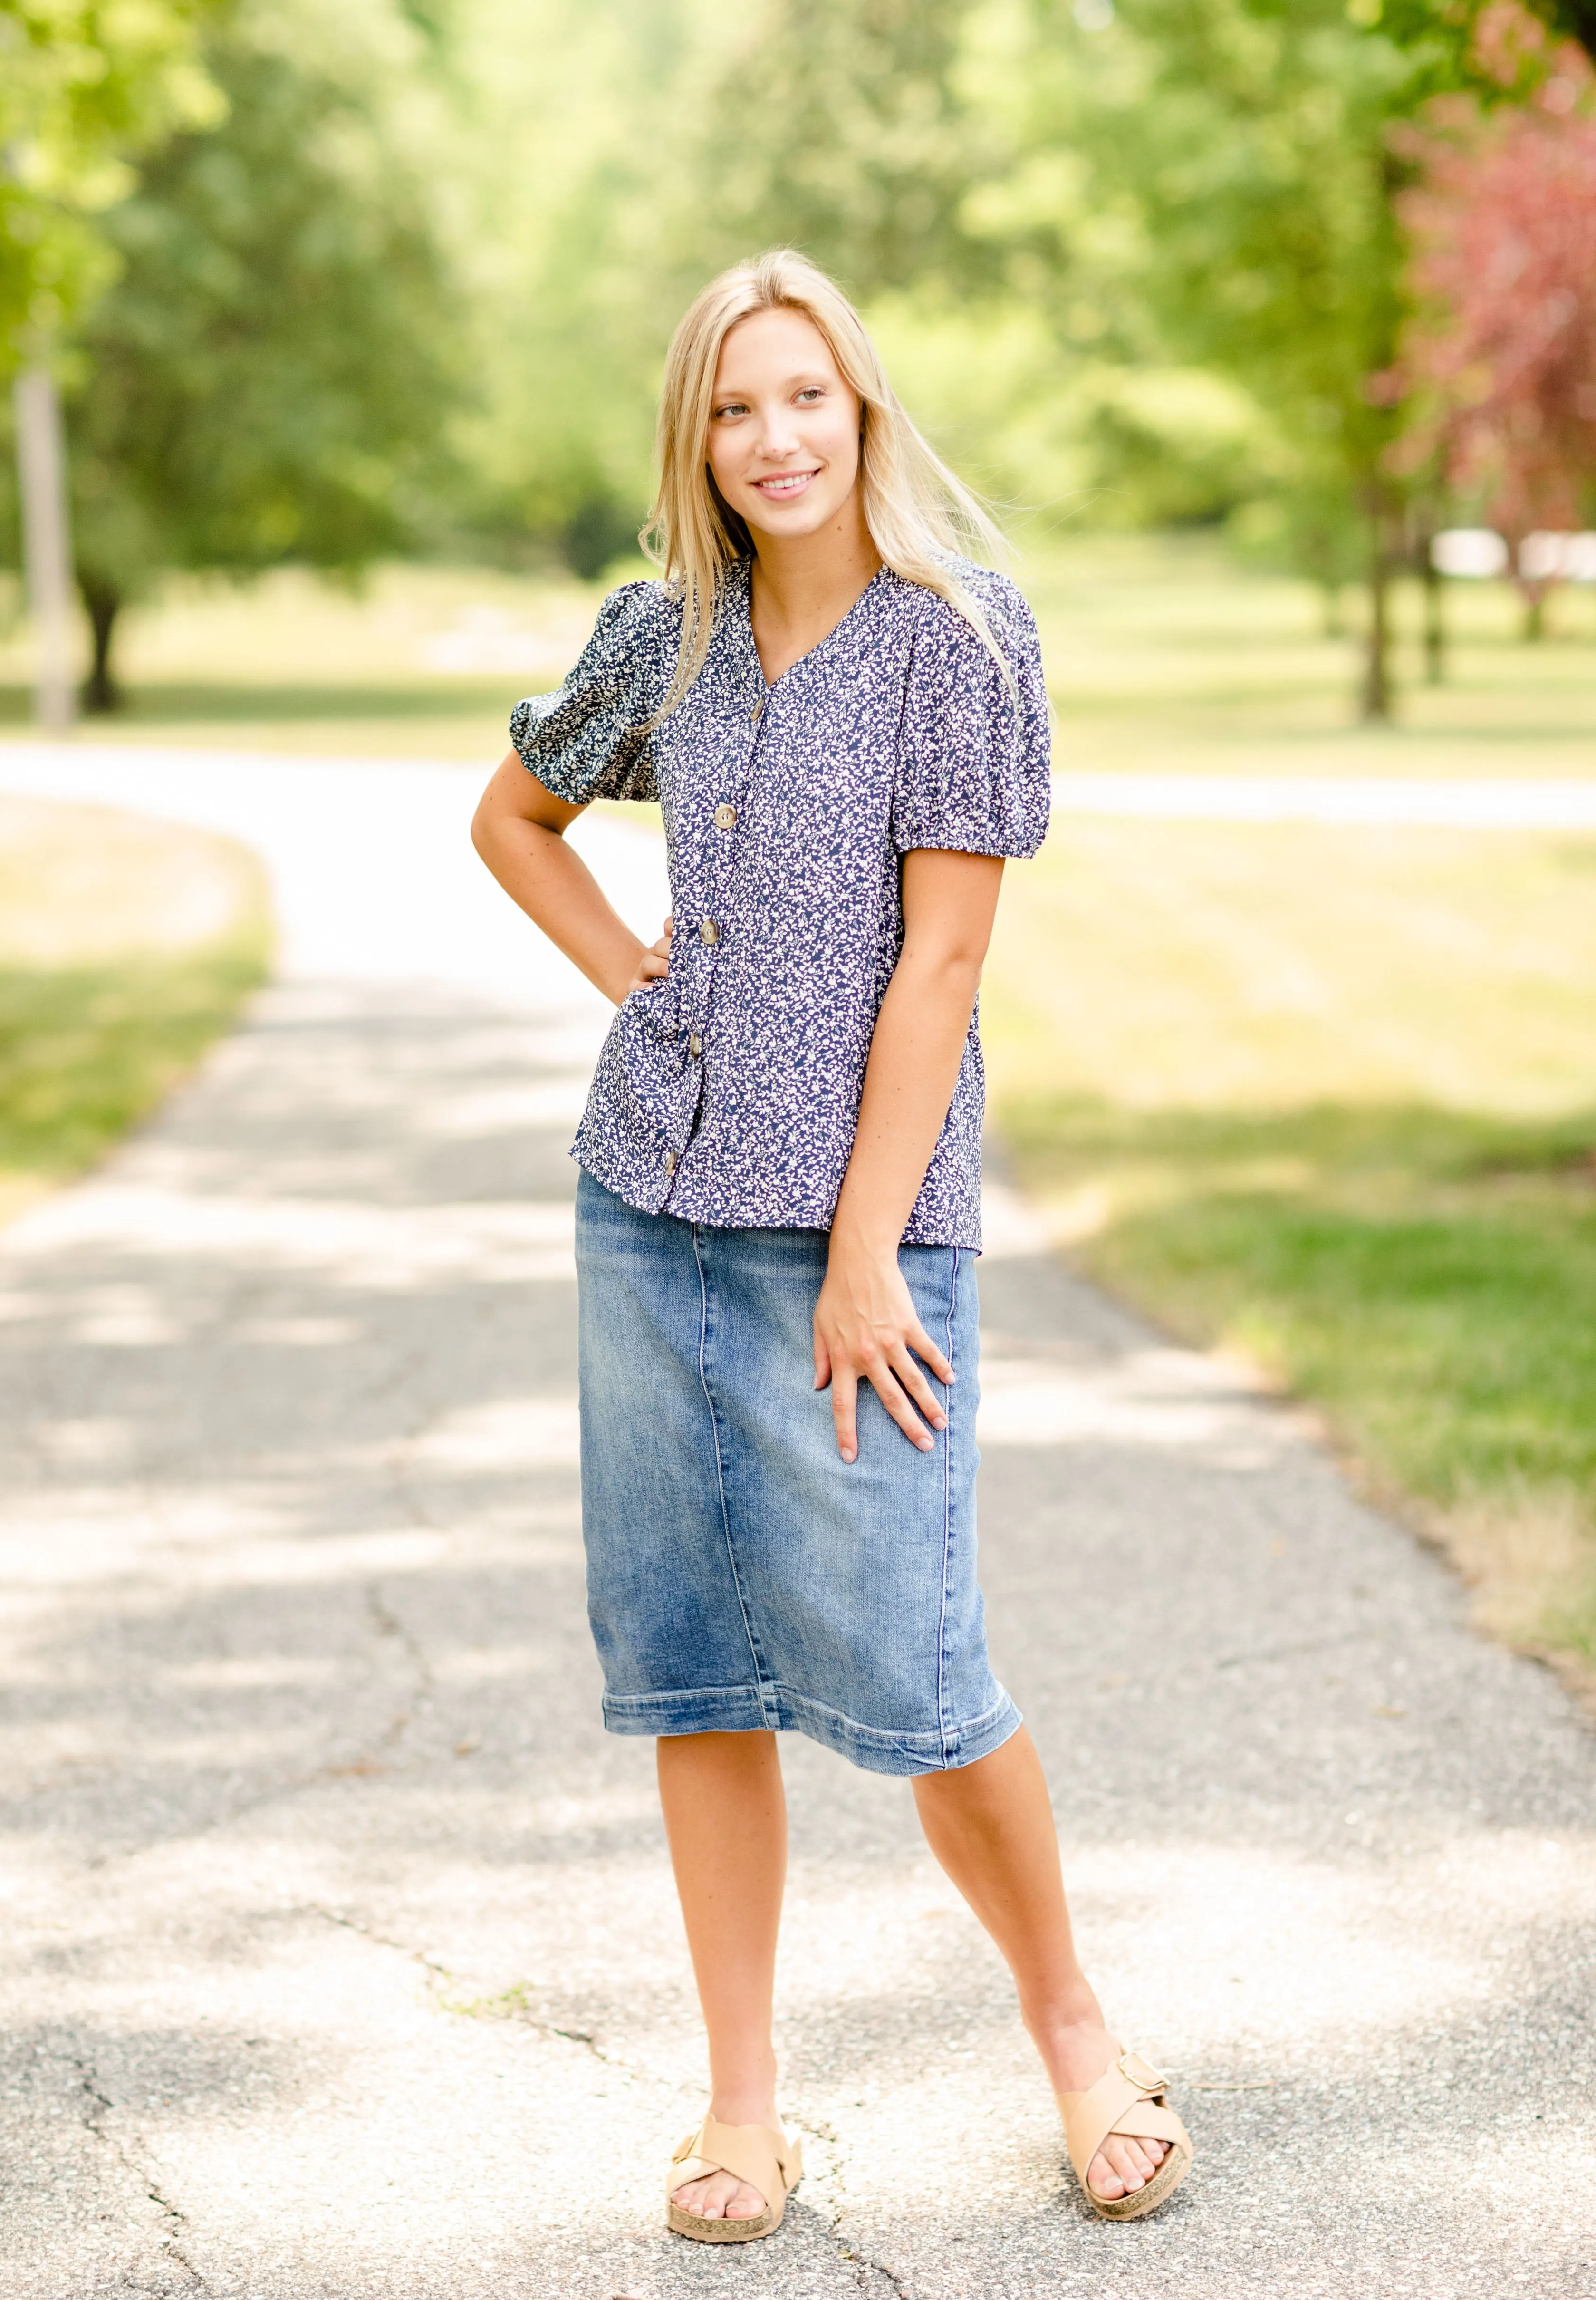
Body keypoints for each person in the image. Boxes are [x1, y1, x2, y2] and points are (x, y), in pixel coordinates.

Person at [471, 248, 1190, 2242]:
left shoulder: (957, 644)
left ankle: (1073, 2033)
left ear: (861, 407)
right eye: (732, 406)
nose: (772, 438)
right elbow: (511, 818)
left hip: (859, 1244)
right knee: (697, 1675)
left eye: (805, 396)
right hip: (650, 1220)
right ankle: (740, 2107)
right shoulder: (664, 638)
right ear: (694, 439)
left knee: (921, 1669)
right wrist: (637, 972)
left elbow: (943, 965)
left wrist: (868, 1254)